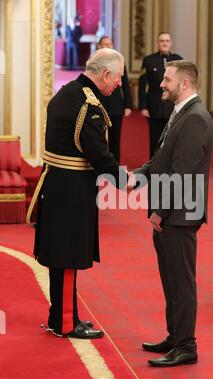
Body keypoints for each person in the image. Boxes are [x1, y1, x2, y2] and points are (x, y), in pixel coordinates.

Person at [27, 48, 128, 339]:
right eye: (118, 78)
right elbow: (99, 154)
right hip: (72, 190)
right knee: (68, 255)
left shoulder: (67, 93)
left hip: (57, 184)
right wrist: (126, 180)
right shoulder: (88, 105)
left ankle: (59, 315)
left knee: (60, 256)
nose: (119, 84)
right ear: (105, 74)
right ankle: (66, 322)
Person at [133, 60, 213, 367]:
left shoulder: (195, 118)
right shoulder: (181, 113)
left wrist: (160, 212)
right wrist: (135, 177)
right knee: (171, 279)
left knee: (182, 282)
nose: (161, 84)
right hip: (171, 215)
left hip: (179, 216)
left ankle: (186, 346)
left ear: (184, 84)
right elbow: (160, 161)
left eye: (167, 79)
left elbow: (181, 175)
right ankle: (175, 336)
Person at [138, 32, 182, 158]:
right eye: (162, 41)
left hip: (173, 105)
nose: (164, 43)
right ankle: (153, 167)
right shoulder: (148, 60)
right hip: (154, 105)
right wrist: (143, 106)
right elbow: (142, 85)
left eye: (167, 41)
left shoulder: (178, 59)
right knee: (155, 139)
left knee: (172, 138)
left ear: (171, 43)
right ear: (157, 43)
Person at [97, 36, 132, 162]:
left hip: (115, 105)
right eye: (104, 44)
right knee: (98, 138)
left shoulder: (119, 61)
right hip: (98, 104)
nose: (107, 46)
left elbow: (126, 83)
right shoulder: (93, 62)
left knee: (115, 139)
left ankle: (115, 168)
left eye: (110, 44)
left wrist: (128, 105)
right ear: (99, 46)